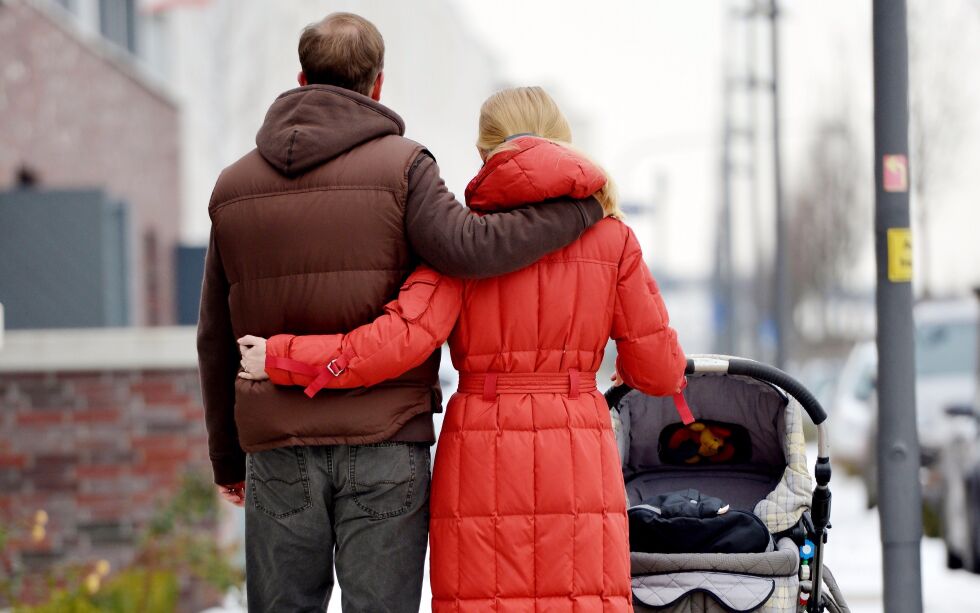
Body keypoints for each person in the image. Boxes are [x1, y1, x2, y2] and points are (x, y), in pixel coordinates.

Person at [196, 14, 604, 613]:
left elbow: (214, 336)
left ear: (302, 77)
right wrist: (577, 214)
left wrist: (228, 458)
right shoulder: (406, 168)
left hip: (277, 443)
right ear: (378, 85)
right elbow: (470, 249)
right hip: (386, 442)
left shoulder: (233, 187)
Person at [238, 86, 687, 612]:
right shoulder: (614, 239)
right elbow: (659, 370)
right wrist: (622, 370)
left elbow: (398, 340)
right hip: (577, 447)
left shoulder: (464, 242)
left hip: (482, 449)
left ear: (484, 151)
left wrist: (284, 357)